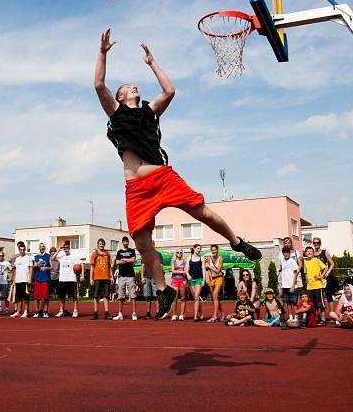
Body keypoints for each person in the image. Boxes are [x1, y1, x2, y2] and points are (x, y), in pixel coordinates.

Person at [94, 28, 262, 320]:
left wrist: (152, 62)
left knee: (203, 213)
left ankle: (237, 241)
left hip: (162, 178)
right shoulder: (116, 112)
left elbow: (170, 90)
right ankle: (163, 290)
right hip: (136, 189)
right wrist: (103, 52)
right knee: (142, 243)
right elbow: (98, 84)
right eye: (129, 87)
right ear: (121, 96)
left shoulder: (150, 111)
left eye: (135, 86)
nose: (134, 88)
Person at [53, 243, 81, 317]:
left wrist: (82, 275)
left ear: (69, 248)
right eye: (64, 248)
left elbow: (81, 264)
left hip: (72, 278)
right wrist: (59, 249)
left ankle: (75, 310)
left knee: (74, 296)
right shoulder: (61, 256)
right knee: (62, 296)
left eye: (67, 247)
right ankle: (61, 310)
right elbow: (53, 258)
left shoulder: (74, 256)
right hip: (62, 279)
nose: (66, 249)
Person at [114, 236, 138, 321]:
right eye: (124, 242)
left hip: (130, 275)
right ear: (122, 242)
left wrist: (123, 259)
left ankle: (134, 313)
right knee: (121, 295)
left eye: (127, 241)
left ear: (128, 242)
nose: (125, 243)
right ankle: (120, 314)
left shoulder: (132, 251)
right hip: (121, 276)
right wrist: (127, 260)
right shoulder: (119, 252)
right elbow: (117, 262)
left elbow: (133, 260)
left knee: (132, 295)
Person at [88, 238, 113, 320]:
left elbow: (109, 266)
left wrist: (111, 277)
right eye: (99, 243)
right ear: (97, 245)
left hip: (106, 277)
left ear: (104, 245)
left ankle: (106, 312)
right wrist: (91, 278)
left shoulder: (107, 254)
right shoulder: (94, 254)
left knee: (106, 295)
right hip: (97, 277)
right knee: (96, 296)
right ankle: (95, 313)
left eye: (102, 243)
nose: (101, 245)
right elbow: (92, 266)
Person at [302, 246, 328, 326]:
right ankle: (316, 319)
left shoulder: (316, 260)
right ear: (305, 253)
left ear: (313, 253)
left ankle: (323, 320)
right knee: (313, 304)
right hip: (310, 286)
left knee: (320, 304)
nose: (309, 253)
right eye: (308, 251)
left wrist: (321, 276)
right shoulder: (305, 262)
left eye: (311, 251)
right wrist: (306, 280)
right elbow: (306, 273)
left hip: (318, 286)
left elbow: (325, 267)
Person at [312, 237, 336, 321]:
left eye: (317, 242)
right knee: (318, 297)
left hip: (325, 277)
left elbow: (332, 263)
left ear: (320, 243)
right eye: (314, 243)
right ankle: (320, 316)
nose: (316, 244)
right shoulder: (312, 253)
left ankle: (332, 314)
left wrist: (327, 273)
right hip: (316, 279)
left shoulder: (324, 252)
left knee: (328, 295)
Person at [279, 246, 300, 320]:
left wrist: (293, 285)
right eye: (284, 252)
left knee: (294, 303)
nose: (286, 254)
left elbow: (295, 273)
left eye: (287, 252)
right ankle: (290, 316)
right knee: (287, 302)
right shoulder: (282, 260)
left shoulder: (292, 261)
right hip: (285, 286)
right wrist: (282, 285)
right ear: (283, 253)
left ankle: (296, 316)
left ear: (289, 253)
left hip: (292, 285)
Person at [12, 242, 33, 318]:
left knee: (26, 297)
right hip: (18, 280)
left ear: (25, 250)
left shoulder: (28, 258)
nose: (22, 251)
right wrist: (14, 280)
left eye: (23, 250)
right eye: (21, 250)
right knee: (18, 297)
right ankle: (18, 311)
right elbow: (15, 269)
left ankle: (26, 311)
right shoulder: (17, 259)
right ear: (19, 250)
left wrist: (29, 278)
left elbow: (31, 269)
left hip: (25, 280)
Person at [204, 244, 225, 322]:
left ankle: (215, 316)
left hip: (219, 278)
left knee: (215, 295)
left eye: (215, 250)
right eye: (212, 250)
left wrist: (209, 266)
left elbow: (218, 271)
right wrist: (209, 279)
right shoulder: (209, 258)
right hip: (211, 279)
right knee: (214, 298)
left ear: (217, 250)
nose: (214, 251)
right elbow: (208, 271)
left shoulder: (220, 258)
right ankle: (222, 313)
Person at [32, 243, 51, 318]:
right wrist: (35, 266)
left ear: (45, 248)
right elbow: (33, 269)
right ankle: (37, 311)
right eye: (41, 247)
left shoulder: (48, 256)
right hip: (38, 278)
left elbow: (52, 267)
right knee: (37, 297)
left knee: (45, 296)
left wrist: (46, 268)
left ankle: (45, 311)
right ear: (39, 248)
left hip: (45, 278)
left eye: (43, 246)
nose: (42, 248)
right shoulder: (36, 257)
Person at [168, 249, 188, 321]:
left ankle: (181, 314)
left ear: (182, 253)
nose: (179, 253)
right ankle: (174, 314)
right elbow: (172, 270)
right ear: (175, 254)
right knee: (174, 298)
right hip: (175, 281)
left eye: (180, 252)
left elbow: (186, 271)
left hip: (183, 280)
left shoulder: (185, 262)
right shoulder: (173, 261)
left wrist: (179, 271)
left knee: (183, 298)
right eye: (177, 252)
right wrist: (181, 271)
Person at [0, 250, 12, 316]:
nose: (1, 257)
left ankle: (7, 308)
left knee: (5, 296)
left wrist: (10, 277)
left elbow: (12, 269)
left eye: (2, 256)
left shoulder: (6, 262)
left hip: (4, 282)